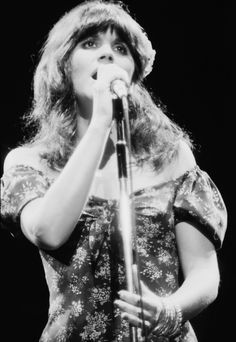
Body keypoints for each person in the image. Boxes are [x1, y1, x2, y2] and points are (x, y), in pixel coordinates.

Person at [0, 0, 227, 341]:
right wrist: (101, 123)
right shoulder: (30, 163)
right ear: (64, 64)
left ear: (133, 70)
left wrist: (171, 310)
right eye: (90, 43)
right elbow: (47, 231)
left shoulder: (170, 156)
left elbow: (204, 270)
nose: (107, 55)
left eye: (120, 48)